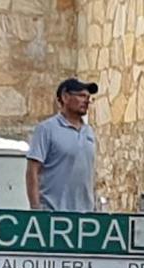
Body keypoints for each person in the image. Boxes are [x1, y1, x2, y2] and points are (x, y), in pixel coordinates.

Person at [25, 77, 99, 213]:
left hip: (85, 215)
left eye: (88, 97)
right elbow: (32, 170)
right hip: (53, 213)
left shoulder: (89, 132)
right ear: (65, 97)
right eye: (82, 96)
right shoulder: (46, 129)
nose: (87, 100)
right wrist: (36, 210)